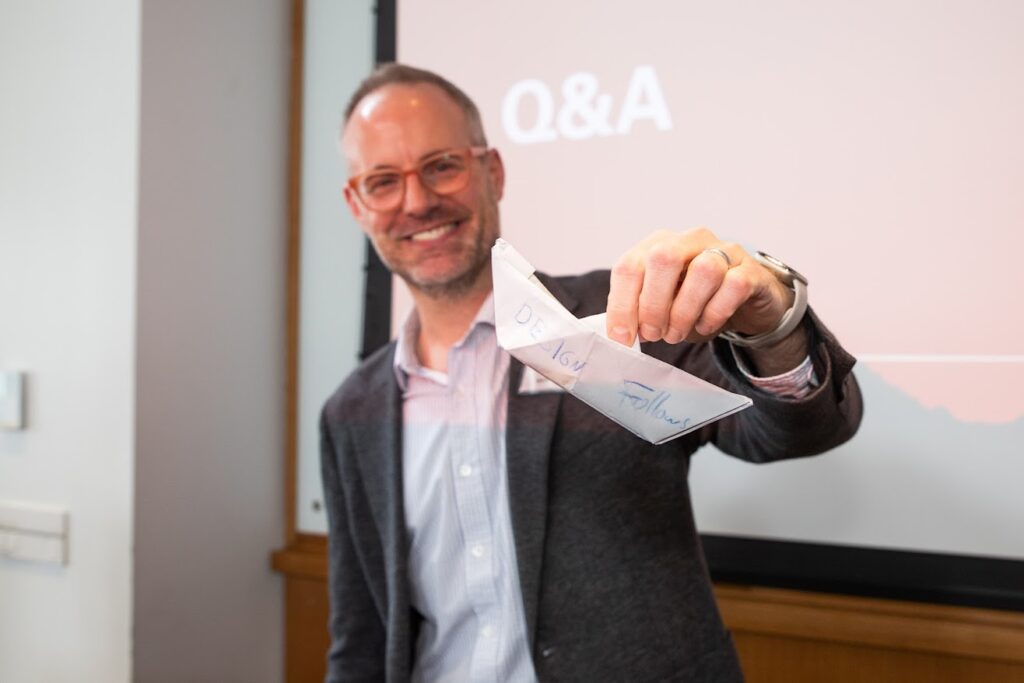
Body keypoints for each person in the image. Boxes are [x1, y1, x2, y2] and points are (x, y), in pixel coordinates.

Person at [321, 63, 862, 683]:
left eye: (442, 166)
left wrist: (771, 327)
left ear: (491, 171)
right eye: (383, 181)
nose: (417, 202)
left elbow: (795, 432)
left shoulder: (623, 319)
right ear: (357, 204)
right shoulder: (350, 411)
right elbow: (360, 633)